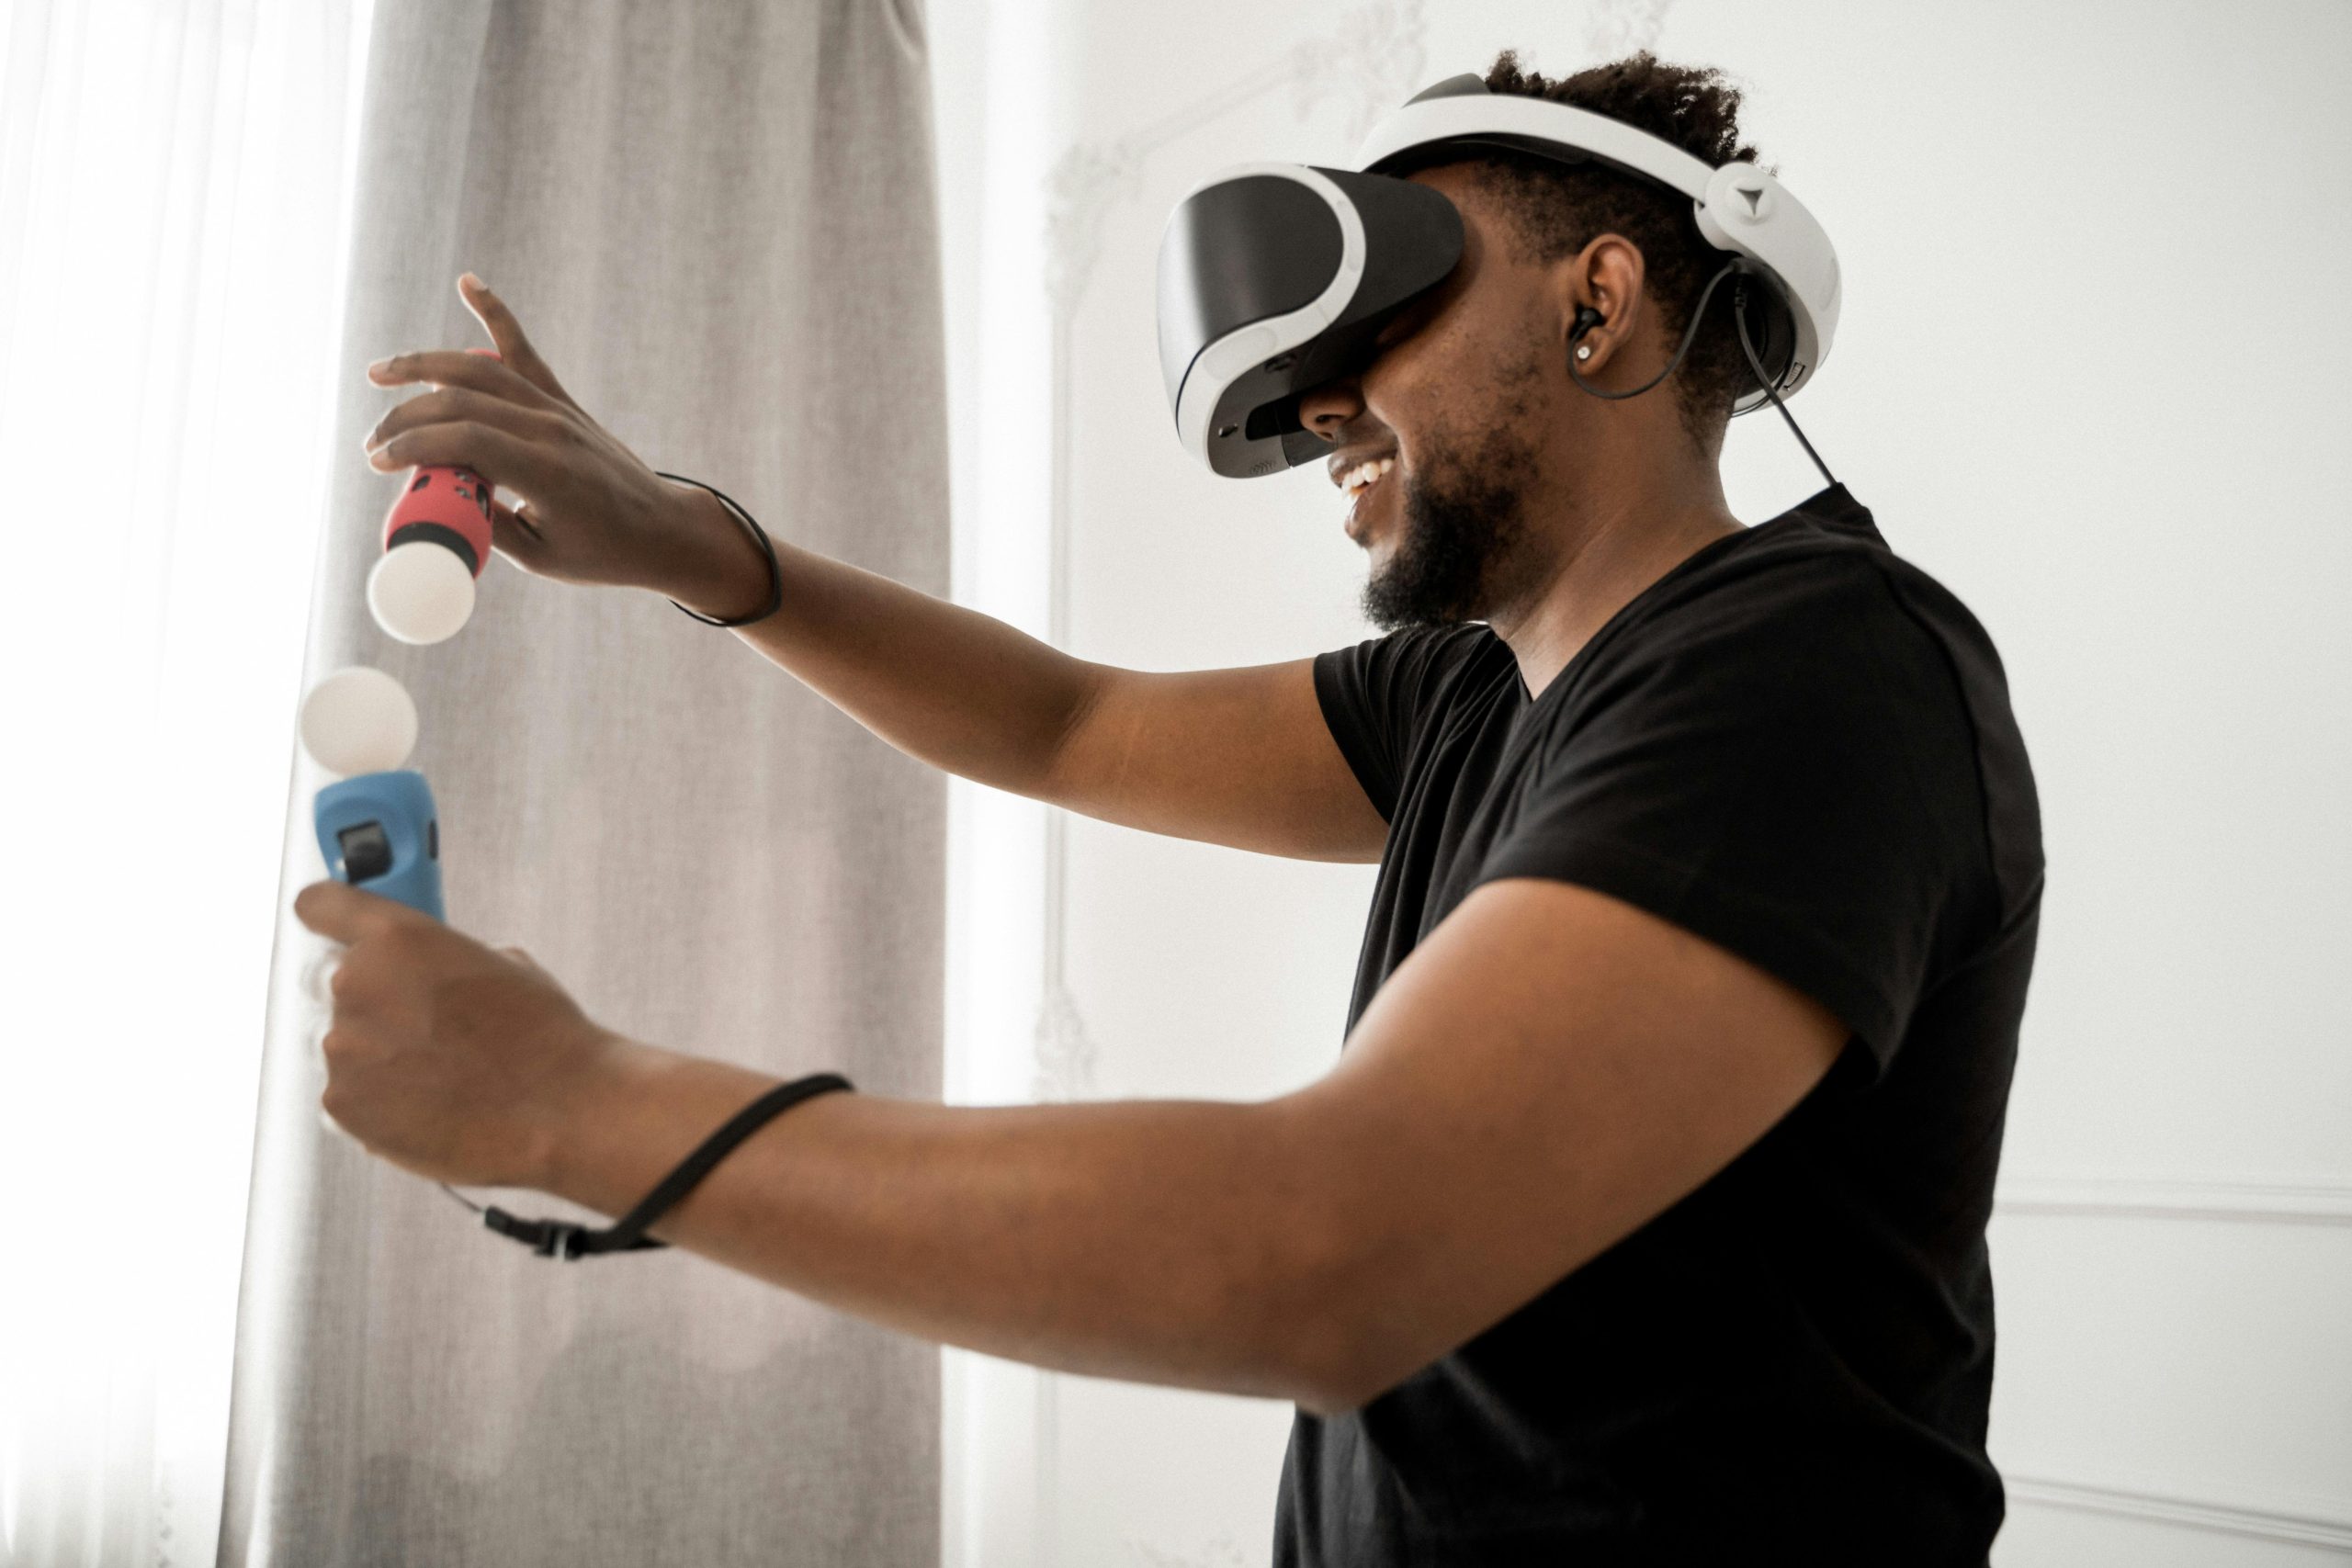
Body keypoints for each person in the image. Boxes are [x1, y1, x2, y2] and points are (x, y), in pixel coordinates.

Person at [297, 48, 2041, 1565]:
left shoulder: (1811, 665)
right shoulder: (1479, 690)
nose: (1318, 396)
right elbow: (1064, 724)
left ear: (1598, 307)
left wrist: (573, 1104)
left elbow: (1332, 1249)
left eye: (1396, 303)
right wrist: (694, 541)